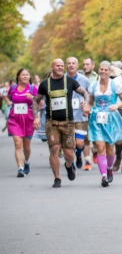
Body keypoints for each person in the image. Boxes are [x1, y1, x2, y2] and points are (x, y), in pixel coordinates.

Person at [33, 58, 91, 188]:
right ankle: (57, 178)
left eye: (61, 66)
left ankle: (69, 165)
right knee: (54, 149)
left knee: (69, 154)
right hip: (51, 123)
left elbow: (85, 93)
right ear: (52, 67)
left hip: (68, 123)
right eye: (57, 65)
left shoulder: (69, 81)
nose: (60, 67)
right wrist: (36, 117)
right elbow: (36, 101)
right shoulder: (45, 84)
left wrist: (86, 103)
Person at [88, 61, 122, 187]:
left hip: (111, 119)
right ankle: (104, 177)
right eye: (101, 69)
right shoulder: (93, 86)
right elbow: (90, 103)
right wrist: (86, 107)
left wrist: (116, 105)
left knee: (110, 150)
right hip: (97, 119)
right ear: (98, 70)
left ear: (109, 71)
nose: (103, 72)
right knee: (100, 148)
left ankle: (110, 167)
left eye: (106, 70)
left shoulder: (115, 84)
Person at [3, 69, 38, 177]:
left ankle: (27, 162)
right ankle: (20, 168)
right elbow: (6, 96)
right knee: (18, 144)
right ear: (18, 77)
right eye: (23, 75)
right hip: (15, 119)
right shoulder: (13, 88)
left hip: (28, 119)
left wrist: (32, 98)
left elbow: (40, 102)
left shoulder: (33, 88)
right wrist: (8, 101)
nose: (25, 76)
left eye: (27, 74)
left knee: (26, 146)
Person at [66, 57, 91, 171]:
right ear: (66, 66)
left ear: (77, 66)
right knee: (69, 145)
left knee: (80, 143)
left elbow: (90, 95)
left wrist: (86, 102)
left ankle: (79, 154)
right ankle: (71, 163)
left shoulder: (84, 80)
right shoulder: (61, 79)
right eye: (69, 63)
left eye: (73, 63)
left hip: (81, 116)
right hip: (66, 117)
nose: (71, 65)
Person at [82, 57, 98, 169]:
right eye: (83, 64)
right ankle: (87, 161)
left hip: (96, 110)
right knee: (86, 137)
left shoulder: (97, 77)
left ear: (93, 65)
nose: (85, 66)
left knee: (97, 137)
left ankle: (95, 150)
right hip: (83, 111)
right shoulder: (79, 78)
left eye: (87, 64)